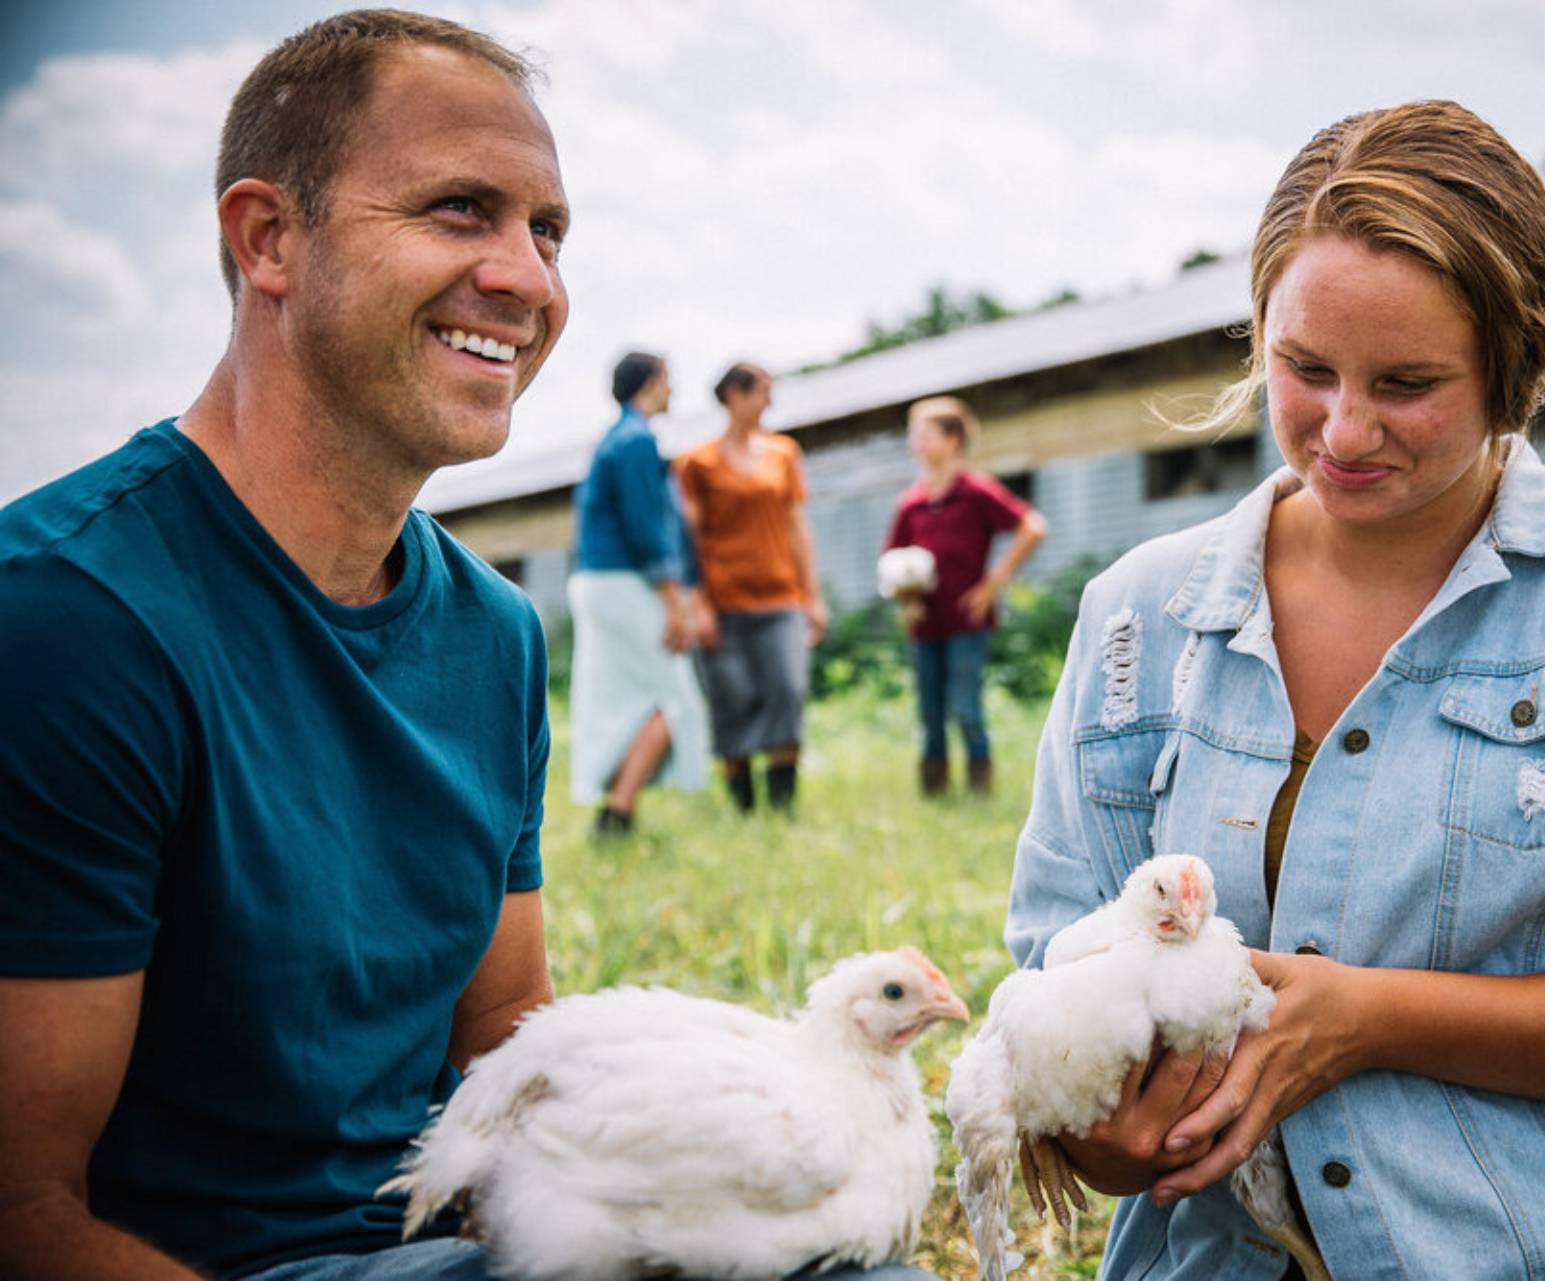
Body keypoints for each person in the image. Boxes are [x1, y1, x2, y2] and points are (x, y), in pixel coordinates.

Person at [0, 13, 930, 1281]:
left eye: (546, 231)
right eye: (457, 210)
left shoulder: (492, 634)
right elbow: (24, 1216)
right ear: (268, 238)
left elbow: (506, 1044)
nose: (530, 280)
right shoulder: (65, 618)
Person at [1003, 100, 1545, 1280]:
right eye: (1304, 369)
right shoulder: (1138, 620)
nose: (1346, 429)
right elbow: (1060, 992)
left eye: (1409, 382)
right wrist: (1110, 1132)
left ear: (1517, 372)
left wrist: (1372, 1020)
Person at [568, 350, 712, 837]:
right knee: (674, 698)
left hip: (602, 582)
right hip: (624, 582)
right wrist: (677, 603)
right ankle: (618, 812)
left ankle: (618, 806)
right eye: (668, 379)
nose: (673, 390)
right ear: (650, 383)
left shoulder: (610, 440)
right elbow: (647, 528)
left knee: (633, 697)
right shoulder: (636, 441)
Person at [675, 362, 828, 814]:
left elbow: (798, 527)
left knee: (787, 690)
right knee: (732, 701)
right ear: (734, 398)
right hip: (723, 603)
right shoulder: (696, 463)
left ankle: (782, 806)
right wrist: (696, 603)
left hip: (781, 598)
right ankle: (744, 806)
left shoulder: (784, 453)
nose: (770, 402)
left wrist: (813, 596)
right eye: (763, 392)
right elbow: (688, 539)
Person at [883, 396, 1048, 795]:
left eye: (924, 432)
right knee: (930, 713)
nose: (915, 441)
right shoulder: (912, 502)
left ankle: (980, 790)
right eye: (912, 433)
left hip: (967, 619)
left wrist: (993, 585)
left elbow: (1033, 527)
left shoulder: (975, 491)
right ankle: (935, 791)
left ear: (953, 440)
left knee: (967, 709)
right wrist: (906, 600)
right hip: (926, 625)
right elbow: (893, 557)